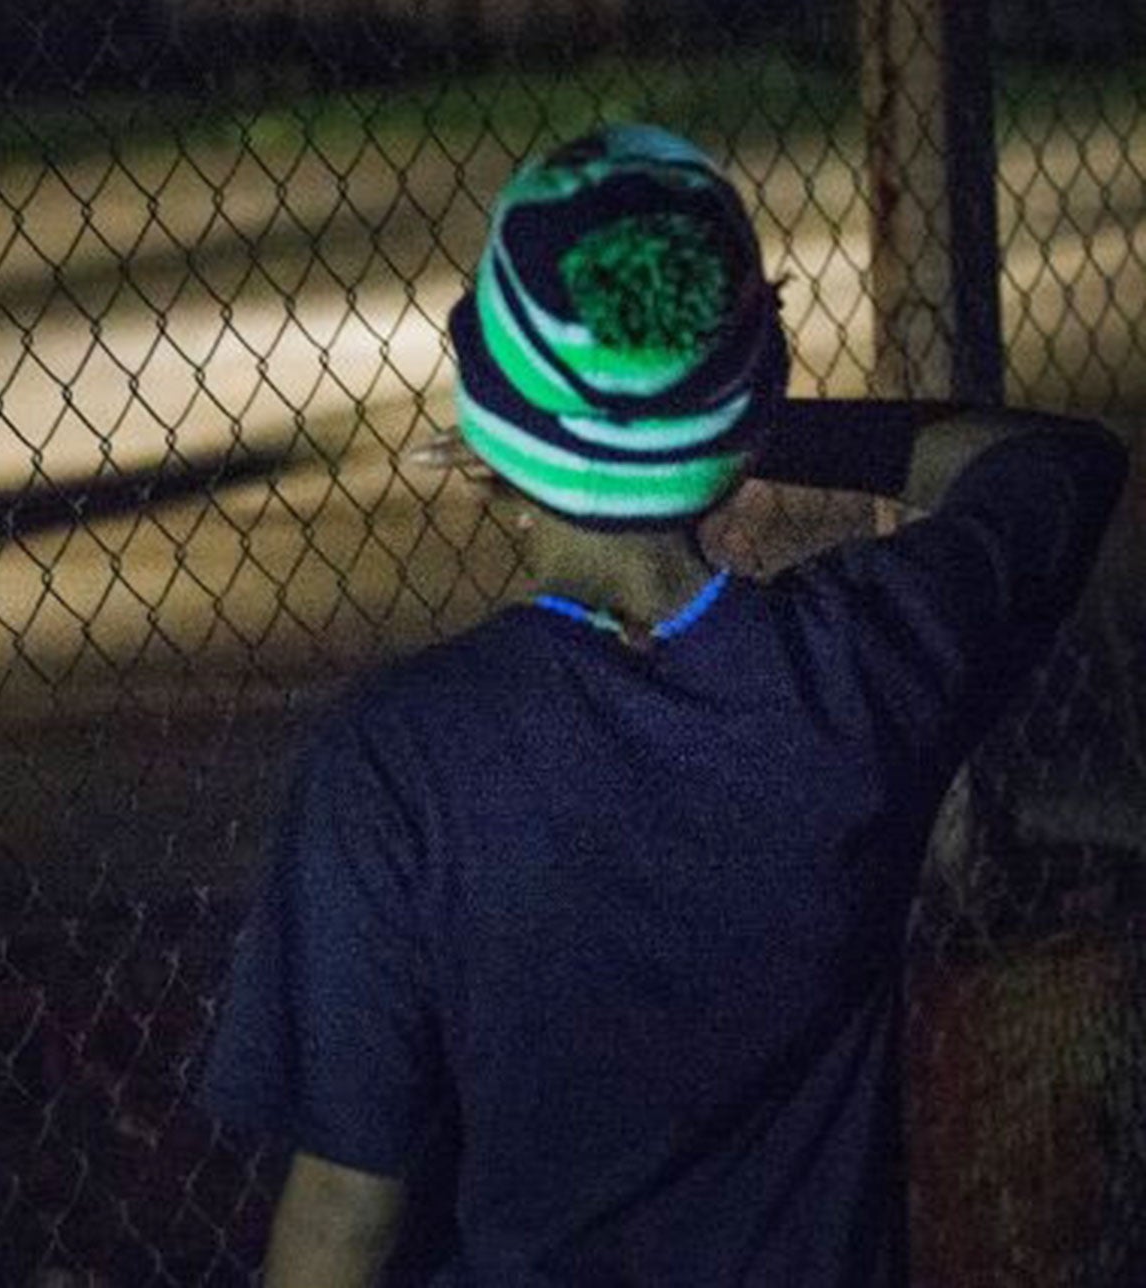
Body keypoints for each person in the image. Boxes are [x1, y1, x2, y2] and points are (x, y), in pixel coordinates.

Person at [198, 124, 1128, 1286]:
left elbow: (345, 1205)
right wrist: (745, 423)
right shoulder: (864, 673)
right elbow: (1054, 465)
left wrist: (692, 421)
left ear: (483, 428)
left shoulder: (395, 767)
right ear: (740, 421)